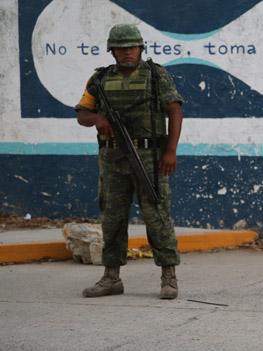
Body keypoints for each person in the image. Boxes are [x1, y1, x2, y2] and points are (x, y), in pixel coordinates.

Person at [75, 24, 183, 299]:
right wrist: (98, 119)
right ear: (112, 51)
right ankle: (111, 277)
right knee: (112, 218)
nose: (126, 53)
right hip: (112, 159)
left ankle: (168, 277)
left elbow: (175, 111)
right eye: (120, 49)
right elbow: (82, 114)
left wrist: (170, 151)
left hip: (150, 157)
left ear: (140, 48)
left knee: (157, 217)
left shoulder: (157, 75)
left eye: (131, 47)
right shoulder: (99, 80)